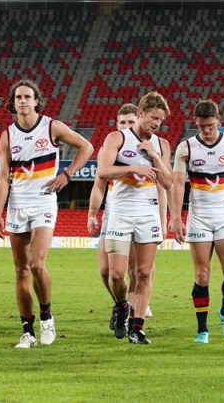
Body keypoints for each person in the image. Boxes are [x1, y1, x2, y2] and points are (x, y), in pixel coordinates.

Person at [0, 80, 94, 349]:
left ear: (37, 100)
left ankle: (47, 318)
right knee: (20, 271)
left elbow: (87, 147)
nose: (23, 101)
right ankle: (27, 331)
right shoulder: (8, 135)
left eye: (27, 96)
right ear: (12, 103)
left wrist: (67, 174)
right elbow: (3, 176)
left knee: (37, 264)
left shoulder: (51, 127)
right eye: (18, 97)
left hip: (43, 203)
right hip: (17, 205)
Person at [170, 100, 224, 344]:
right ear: (195, 122)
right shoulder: (185, 148)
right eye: (201, 126)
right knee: (202, 276)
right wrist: (176, 217)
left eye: (210, 125)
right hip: (198, 217)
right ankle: (202, 330)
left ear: (218, 120)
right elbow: (177, 183)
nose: (206, 130)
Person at [96, 92, 173, 344]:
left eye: (160, 121)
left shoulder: (161, 145)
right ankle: (121, 306)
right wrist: (133, 167)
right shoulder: (117, 138)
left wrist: (154, 156)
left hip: (147, 213)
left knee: (143, 272)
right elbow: (104, 171)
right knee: (116, 275)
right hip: (120, 212)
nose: (156, 123)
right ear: (140, 113)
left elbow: (169, 182)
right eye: (153, 118)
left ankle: (137, 328)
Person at [87, 104, 157, 329]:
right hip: (113, 213)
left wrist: (163, 217)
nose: (127, 126)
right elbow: (99, 183)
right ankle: (121, 305)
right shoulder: (112, 148)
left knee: (137, 270)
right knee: (106, 271)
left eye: (130, 122)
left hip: (140, 212)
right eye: (122, 123)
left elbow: (162, 187)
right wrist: (92, 213)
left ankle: (135, 311)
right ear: (117, 126)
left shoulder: (151, 149)